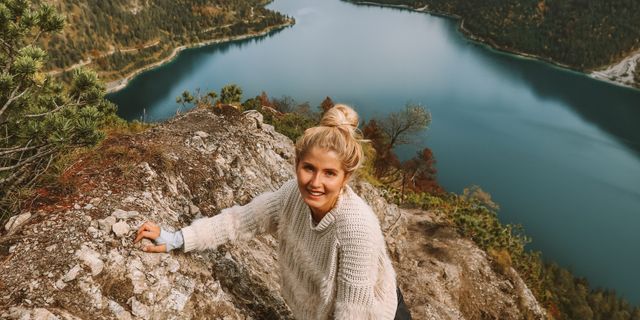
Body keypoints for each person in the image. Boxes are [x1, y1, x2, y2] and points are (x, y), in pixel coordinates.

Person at [135, 104, 411, 319]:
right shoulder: (291, 195)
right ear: (296, 164)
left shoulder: (355, 228)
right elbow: (240, 221)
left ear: (345, 178)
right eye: (309, 168)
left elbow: (354, 313)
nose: (315, 183)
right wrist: (178, 239)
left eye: (329, 173)